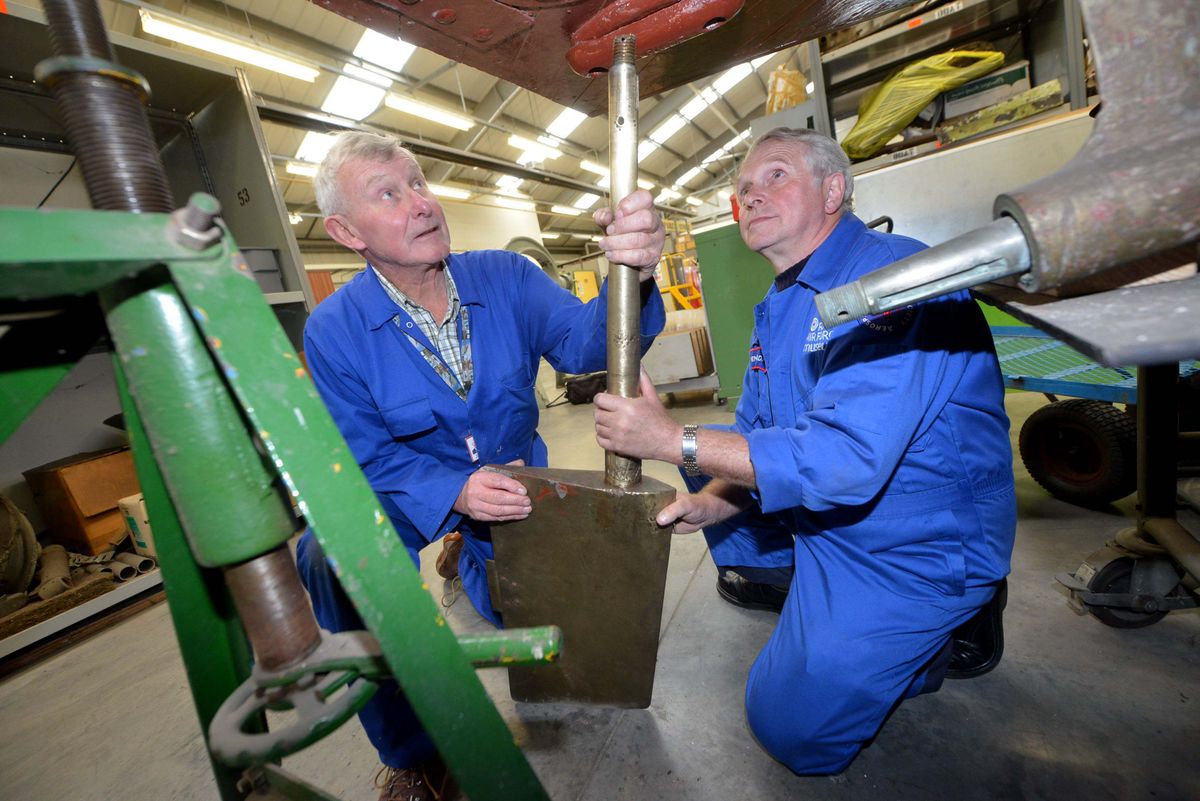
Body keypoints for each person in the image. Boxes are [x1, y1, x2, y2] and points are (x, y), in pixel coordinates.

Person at [592, 127, 1015, 775]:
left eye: (777, 176)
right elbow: (759, 425)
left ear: (834, 190)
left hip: (911, 544)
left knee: (787, 727)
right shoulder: (780, 302)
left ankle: (943, 630)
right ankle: (807, 591)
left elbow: (843, 461)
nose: (751, 197)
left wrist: (666, 435)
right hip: (830, 516)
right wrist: (710, 501)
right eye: (742, 190)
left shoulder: (893, 278)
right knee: (707, 464)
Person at [296, 130, 666, 800]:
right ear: (345, 230)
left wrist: (633, 273)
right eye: (389, 193)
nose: (420, 202)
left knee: (537, 636)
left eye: (417, 182)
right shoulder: (333, 330)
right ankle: (412, 753)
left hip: (516, 486)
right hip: (408, 492)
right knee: (328, 553)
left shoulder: (507, 276)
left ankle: (471, 556)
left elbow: (587, 345)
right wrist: (453, 490)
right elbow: (366, 456)